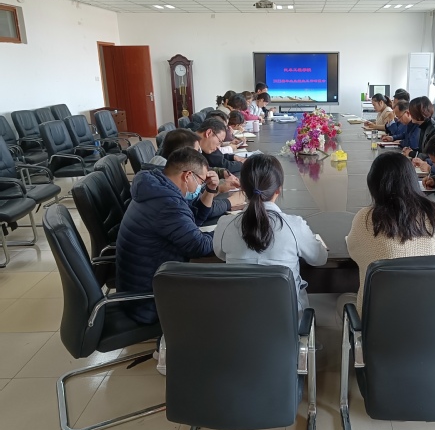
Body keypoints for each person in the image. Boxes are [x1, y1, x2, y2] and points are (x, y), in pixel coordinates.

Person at [342, 152, 435, 316]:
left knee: (343, 301)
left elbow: (354, 251)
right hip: (434, 316)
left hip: (381, 321)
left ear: (374, 184)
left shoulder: (366, 218)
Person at [116, 148, 222, 324]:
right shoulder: (167, 204)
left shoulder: (156, 188)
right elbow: (199, 246)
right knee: (227, 292)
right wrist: (230, 232)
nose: (201, 186)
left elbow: (191, 220)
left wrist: (210, 190)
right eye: (201, 181)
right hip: (150, 301)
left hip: (141, 287)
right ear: (187, 176)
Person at [214, 154, 328, 316]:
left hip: (238, 320)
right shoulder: (294, 226)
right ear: (279, 189)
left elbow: (220, 254)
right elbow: (319, 258)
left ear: (242, 188)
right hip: (287, 322)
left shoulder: (226, 224)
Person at [148, 129, 242, 197]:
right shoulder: (168, 177)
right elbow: (194, 202)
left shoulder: (162, 162)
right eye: (196, 151)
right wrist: (219, 188)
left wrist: (221, 172)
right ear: (184, 154)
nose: (199, 155)